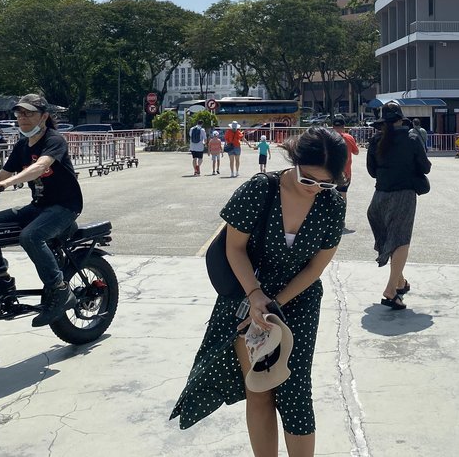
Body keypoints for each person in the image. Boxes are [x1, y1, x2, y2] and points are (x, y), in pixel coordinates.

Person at [170, 127, 348, 457]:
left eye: (325, 184)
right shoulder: (260, 190)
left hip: (299, 299)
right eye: (307, 179)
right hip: (247, 296)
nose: (314, 190)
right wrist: (255, 298)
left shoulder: (332, 206)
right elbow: (233, 248)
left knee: (295, 390)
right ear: (293, 162)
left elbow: (316, 268)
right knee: (260, 388)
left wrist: (275, 304)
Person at [0, 94, 83, 327]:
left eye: (29, 113)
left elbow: (40, 167)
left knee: (31, 236)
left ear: (44, 116)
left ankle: (60, 290)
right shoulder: (22, 145)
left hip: (64, 207)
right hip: (39, 207)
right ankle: (2, 280)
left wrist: (6, 184)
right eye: (19, 113)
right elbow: (1, 175)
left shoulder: (54, 140)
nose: (23, 117)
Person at [366, 102, 431, 311]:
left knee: (392, 241)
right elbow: (425, 167)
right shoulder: (411, 138)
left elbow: (372, 171)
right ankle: (391, 290)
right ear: (401, 120)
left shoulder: (376, 140)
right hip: (403, 196)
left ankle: (400, 282)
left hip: (379, 198)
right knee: (401, 241)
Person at [331, 115, 360, 206]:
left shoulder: (328, 138)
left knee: (329, 196)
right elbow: (356, 152)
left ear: (333, 127)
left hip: (329, 173)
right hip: (345, 174)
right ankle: (341, 217)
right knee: (343, 195)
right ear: (344, 127)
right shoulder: (349, 138)